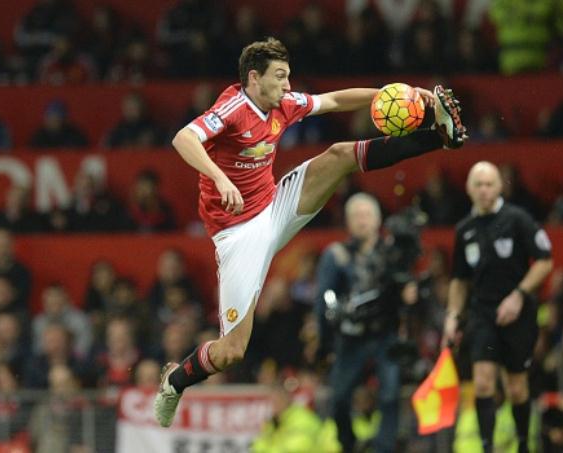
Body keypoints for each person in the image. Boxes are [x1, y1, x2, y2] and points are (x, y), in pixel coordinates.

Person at [154, 37, 467, 427]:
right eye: (280, 76)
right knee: (232, 351)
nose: (288, 85)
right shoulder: (233, 108)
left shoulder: (282, 105)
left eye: (289, 76)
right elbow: (183, 138)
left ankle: (438, 135)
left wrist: (402, 94)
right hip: (239, 235)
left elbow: (334, 100)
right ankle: (175, 380)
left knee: (337, 156)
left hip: (274, 207)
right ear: (254, 78)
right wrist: (219, 178)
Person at [442, 161, 553, 453]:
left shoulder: (517, 219)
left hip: (518, 312)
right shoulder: (464, 229)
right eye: (478, 184)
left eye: (489, 184)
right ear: (469, 189)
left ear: (499, 186)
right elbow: (459, 279)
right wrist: (453, 315)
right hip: (481, 313)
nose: (483, 190)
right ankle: (487, 446)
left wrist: (519, 295)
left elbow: (544, 261)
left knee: (516, 386)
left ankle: (522, 443)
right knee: (482, 384)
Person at [314, 193, 417, 453]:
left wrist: (409, 293)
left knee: (390, 394)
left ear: (378, 219)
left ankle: (384, 448)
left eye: (367, 215)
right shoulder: (335, 255)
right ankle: (348, 443)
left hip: (386, 333)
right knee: (339, 398)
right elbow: (322, 300)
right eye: (356, 216)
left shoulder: (393, 253)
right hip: (350, 336)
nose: (362, 221)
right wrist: (325, 342)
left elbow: (408, 289)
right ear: (347, 222)